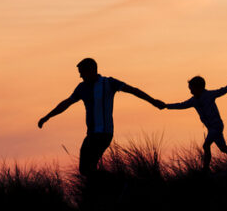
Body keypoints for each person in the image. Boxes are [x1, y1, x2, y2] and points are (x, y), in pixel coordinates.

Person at [37, 58, 165, 176]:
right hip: (91, 134)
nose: (80, 76)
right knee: (85, 170)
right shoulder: (81, 88)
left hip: (104, 134)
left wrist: (153, 101)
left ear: (92, 70)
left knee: (88, 169)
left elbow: (133, 90)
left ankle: (121, 184)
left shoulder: (108, 83)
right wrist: (47, 116)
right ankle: (112, 189)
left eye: (82, 72)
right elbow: (66, 103)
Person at [163, 75, 227, 172]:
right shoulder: (193, 101)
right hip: (211, 128)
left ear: (199, 88)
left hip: (216, 126)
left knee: (206, 145)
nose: (191, 92)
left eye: (192, 89)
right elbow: (181, 105)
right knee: (223, 148)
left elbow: (225, 89)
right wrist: (166, 106)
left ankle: (205, 169)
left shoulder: (209, 95)